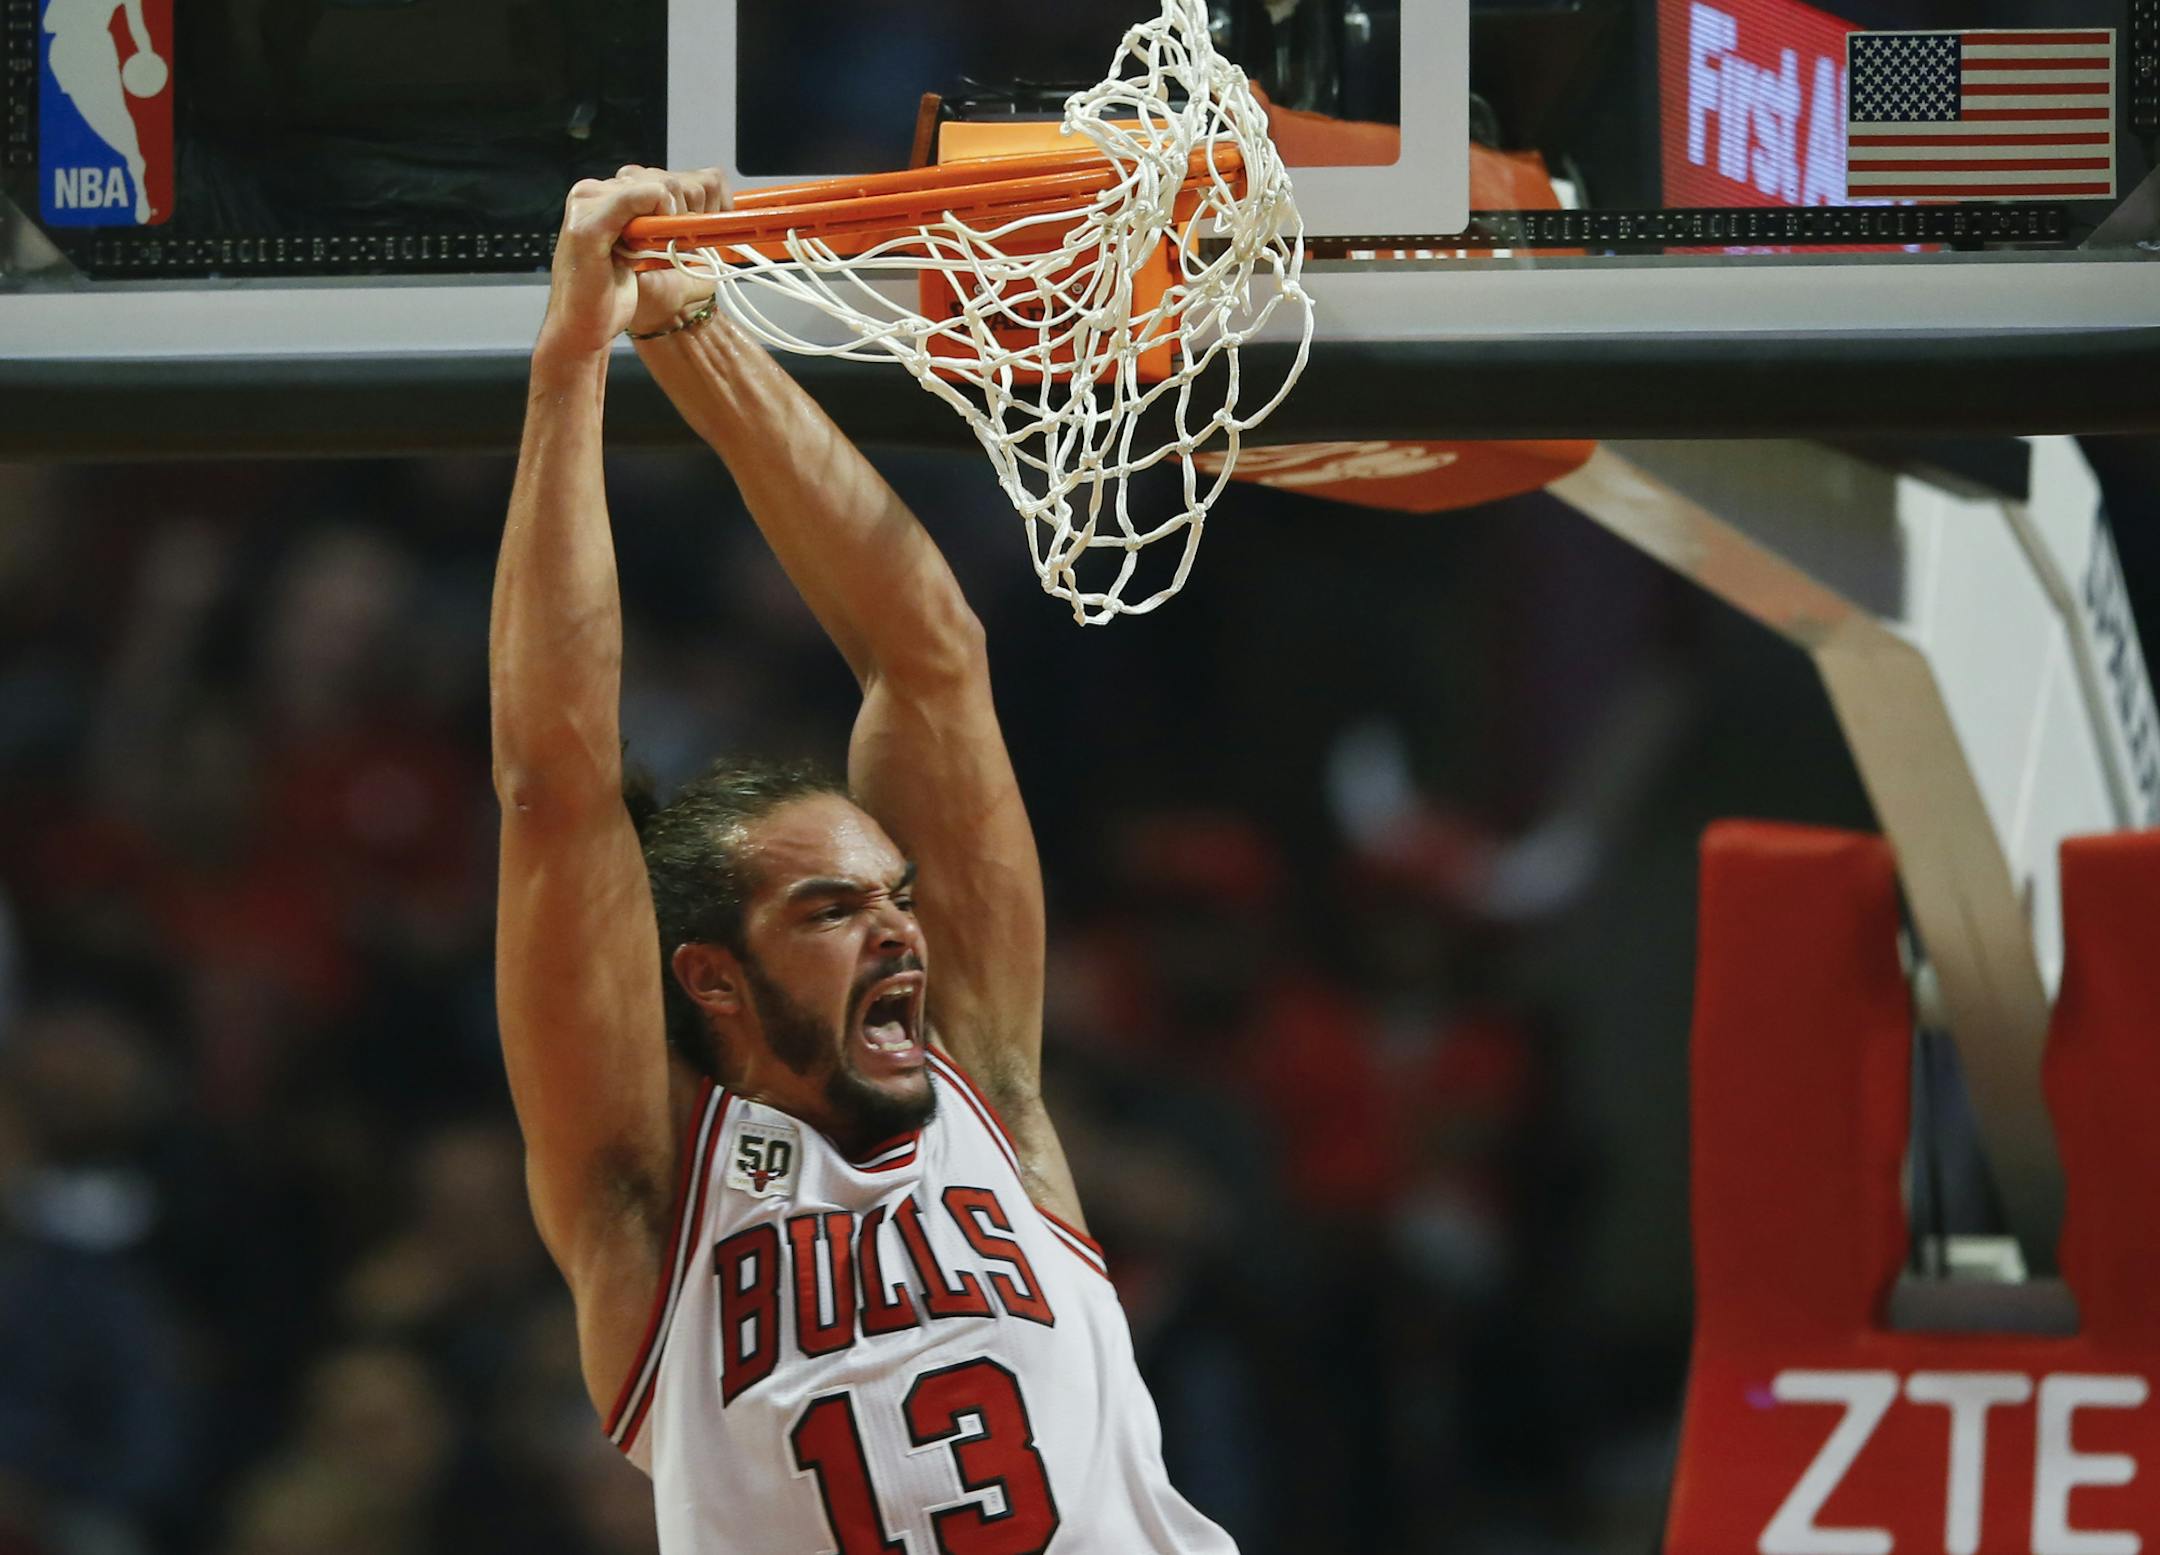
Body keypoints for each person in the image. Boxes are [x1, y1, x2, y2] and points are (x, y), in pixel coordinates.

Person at [490, 166, 1238, 1554]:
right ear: (713, 977)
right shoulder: (648, 1206)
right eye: (831, 909)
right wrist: (573, 355)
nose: (900, 929)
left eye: (895, 895)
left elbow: (928, 658)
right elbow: (555, 794)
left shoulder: (984, 1085)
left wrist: (693, 329)